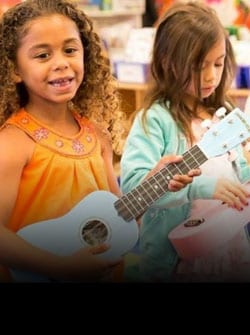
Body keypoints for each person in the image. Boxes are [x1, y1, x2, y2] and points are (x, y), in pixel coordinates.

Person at [0, 0, 200, 283]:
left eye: (70, 50)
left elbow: (118, 217)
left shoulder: (97, 135)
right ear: (14, 70)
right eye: (43, 55)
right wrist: (58, 266)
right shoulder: (13, 143)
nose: (61, 63)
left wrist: (154, 182)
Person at [120, 1, 250, 283]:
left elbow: (237, 172)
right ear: (168, 62)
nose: (211, 76)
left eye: (218, 63)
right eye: (198, 66)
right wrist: (203, 187)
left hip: (230, 249)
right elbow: (132, 189)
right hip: (176, 262)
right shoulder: (154, 119)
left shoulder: (223, 113)